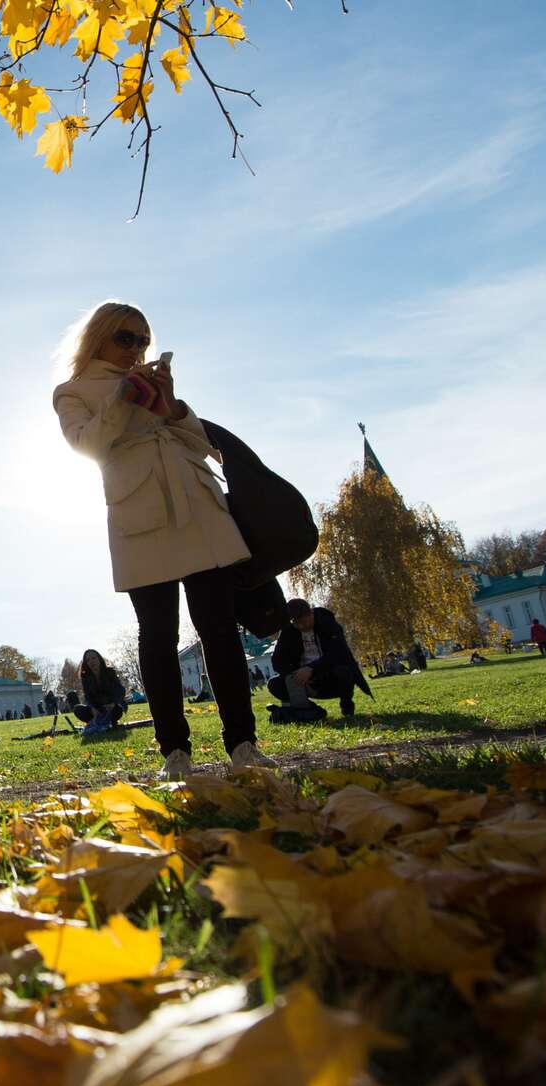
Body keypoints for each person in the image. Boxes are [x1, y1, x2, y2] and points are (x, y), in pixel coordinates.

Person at [53, 302, 274, 779]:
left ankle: (243, 743)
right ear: (101, 337)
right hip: (141, 512)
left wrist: (171, 405)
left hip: (197, 505)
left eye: (144, 340)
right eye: (126, 338)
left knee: (220, 631)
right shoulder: (71, 392)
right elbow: (87, 444)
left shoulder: (155, 382)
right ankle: (175, 752)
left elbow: (201, 444)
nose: (137, 349)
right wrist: (123, 399)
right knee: (157, 635)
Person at [268, 600, 370, 719]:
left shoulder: (328, 624)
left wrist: (312, 669)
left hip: (329, 677)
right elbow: (278, 661)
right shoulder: (288, 632)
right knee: (274, 684)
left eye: (304, 622)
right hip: (303, 681)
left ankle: (346, 705)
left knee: (344, 672)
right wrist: (295, 674)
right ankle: (309, 710)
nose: (301, 626)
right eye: (297, 624)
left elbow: (338, 653)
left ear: (311, 613)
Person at [71, 649, 129, 735]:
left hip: (112, 705)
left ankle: (107, 721)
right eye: (88, 660)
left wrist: (113, 703)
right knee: (78, 709)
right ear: (86, 663)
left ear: (99, 659)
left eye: (93, 658)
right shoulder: (85, 678)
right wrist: (92, 708)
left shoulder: (110, 672)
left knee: (117, 710)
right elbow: (88, 696)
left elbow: (120, 690)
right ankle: (97, 721)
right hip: (98, 708)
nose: (91, 662)